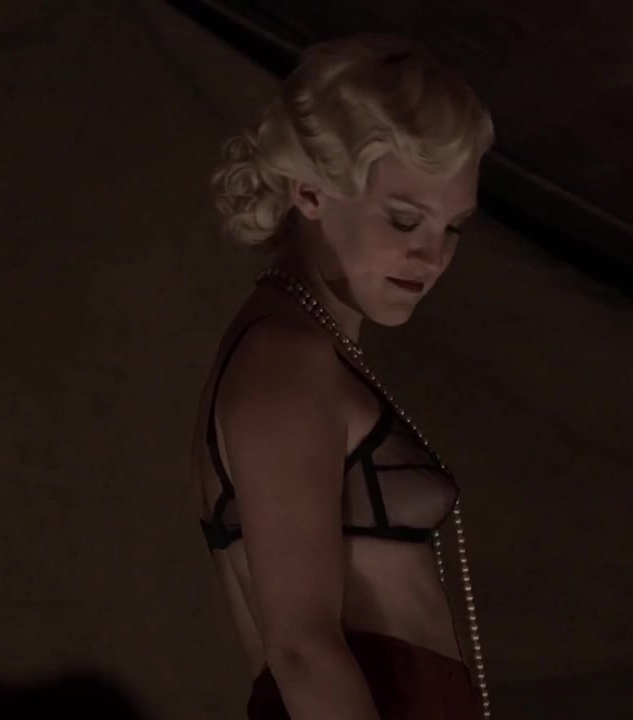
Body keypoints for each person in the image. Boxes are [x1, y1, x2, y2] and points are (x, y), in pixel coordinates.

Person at [192, 32, 495, 720]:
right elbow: (300, 649)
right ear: (310, 191)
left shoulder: (311, 351)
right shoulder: (285, 359)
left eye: (454, 227)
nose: (432, 256)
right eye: (405, 219)